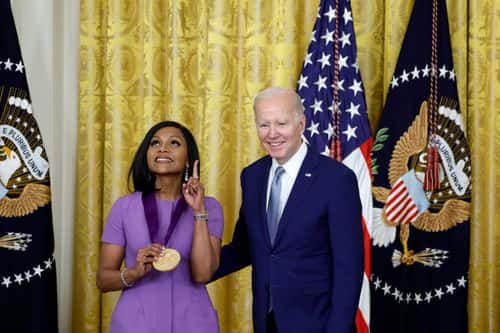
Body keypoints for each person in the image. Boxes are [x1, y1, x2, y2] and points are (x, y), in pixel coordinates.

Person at [212, 87, 364, 333]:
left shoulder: (336, 179)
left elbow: (349, 268)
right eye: (264, 125)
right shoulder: (252, 176)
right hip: (268, 320)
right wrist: (190, 268)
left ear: (301, 124)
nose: (272, 134)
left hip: (318, 323)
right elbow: (245, 248)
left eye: (281, 123)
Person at [96, 121, 223, 333]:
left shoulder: (209, 207)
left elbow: (202, 274)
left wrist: (198, 209)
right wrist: (134, 273)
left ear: (189, 160)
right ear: (147, 155)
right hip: (136, 323)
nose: (163, 148)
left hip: (193, 323)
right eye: (155, 143)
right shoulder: (124, 207)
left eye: (174, 143)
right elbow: (103, 280)